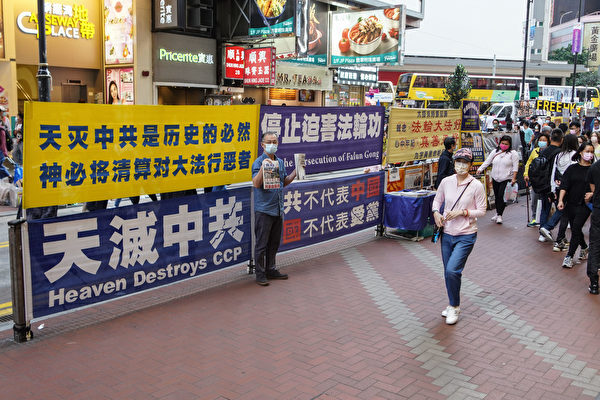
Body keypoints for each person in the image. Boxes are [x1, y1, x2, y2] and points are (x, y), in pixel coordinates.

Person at [432, 148, 486, 325]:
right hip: (447, 233)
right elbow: (437, 200)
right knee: (449, 273)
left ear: (471, 165)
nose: (461, 166)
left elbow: (482, 211)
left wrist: (463, 212)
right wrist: (436, 214)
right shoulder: (446, 181)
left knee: (452, 270)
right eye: (458, 162)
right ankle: (451, 304)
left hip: (466, 235)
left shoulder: (476, 185)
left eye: (465, 163)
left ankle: (454, 306)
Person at [252, 133, 297, 286]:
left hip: (278, 209)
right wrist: (263, 168)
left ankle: (271, 269)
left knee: (274, 243)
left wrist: (297, 171)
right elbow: (256, 184)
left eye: (275, 141)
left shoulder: (280, 162)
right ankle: (260, 273)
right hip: (264, 210)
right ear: (262, 145)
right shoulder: (258, 162)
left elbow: (284, 182)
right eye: (269, 142)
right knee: (261, 244)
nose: (273, 144)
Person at [557, 142, 595, 268]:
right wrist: (561, 200)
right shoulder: (572, 168)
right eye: (587, 151)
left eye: (591, 151)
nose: (589, 154)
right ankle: (584, 247)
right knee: (575, 228)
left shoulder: (594, 169)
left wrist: (592, 194)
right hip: (570, 203)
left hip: (585, 205)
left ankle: (569, 256)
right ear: (580, 152)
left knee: (576, 227)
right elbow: (564, 185)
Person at [539, 134, 578, 248]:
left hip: (557, 187)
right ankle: (548, 228)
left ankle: (561, 237)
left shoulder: (559, 155)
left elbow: (553, 173)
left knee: (562, 211)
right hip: (569, 189)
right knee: (563, 211)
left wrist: (553, 188)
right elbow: (573, 174)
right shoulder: (574, 156)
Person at [476, 135, 519, 224]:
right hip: (495, 178)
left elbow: (515, 166)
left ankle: (500, 215)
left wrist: (514, 178)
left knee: (501, 196)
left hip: (506, 178)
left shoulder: (513, 153)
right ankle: (497, 213)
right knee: (496, 196)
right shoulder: (495, 152)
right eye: (502, 143)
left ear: (509, 145)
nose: (503, 145)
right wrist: (480, 169)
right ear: (499, 143)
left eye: (506, 144)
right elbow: (487, 161)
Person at [524, 132, 550, 227]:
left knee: (544, 201)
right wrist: (526, 174)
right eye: (540, 140)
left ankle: (544, 219)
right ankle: (535, 218)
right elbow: (528, 163)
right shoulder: (534, 151)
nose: (542, 142)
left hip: (546, 181)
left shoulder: (549, 151)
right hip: (535, 180)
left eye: (544, 140)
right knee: (534, 200)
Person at [585, 157, 600, 294]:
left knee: (595, 245)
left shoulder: (594, 167)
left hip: (598, 210)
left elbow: (594, 190)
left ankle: (594, 283)